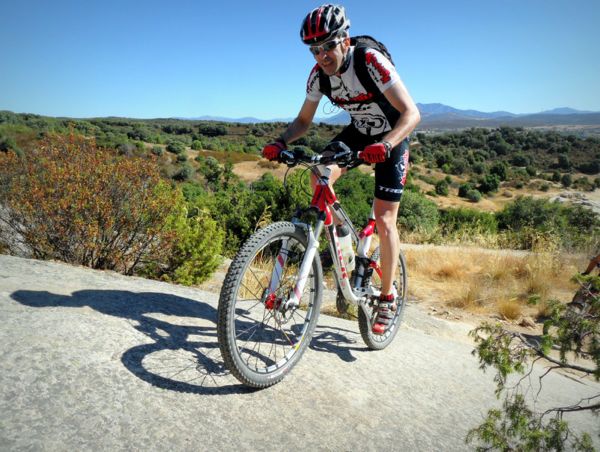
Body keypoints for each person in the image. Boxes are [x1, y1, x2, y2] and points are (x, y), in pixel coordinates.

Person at [261, 4, 421, 335]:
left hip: (391, 137)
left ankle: (387, 298)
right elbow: (303, 121)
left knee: (385, 219)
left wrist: (387, 144)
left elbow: (412, 113)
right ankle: (343, 242)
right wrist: (280, 141)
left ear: (345, 40)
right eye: (314, 50)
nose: (322, 56)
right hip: (359, 133)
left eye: (327, 46)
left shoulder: (369, 61)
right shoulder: (318, 76)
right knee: (318, 173)